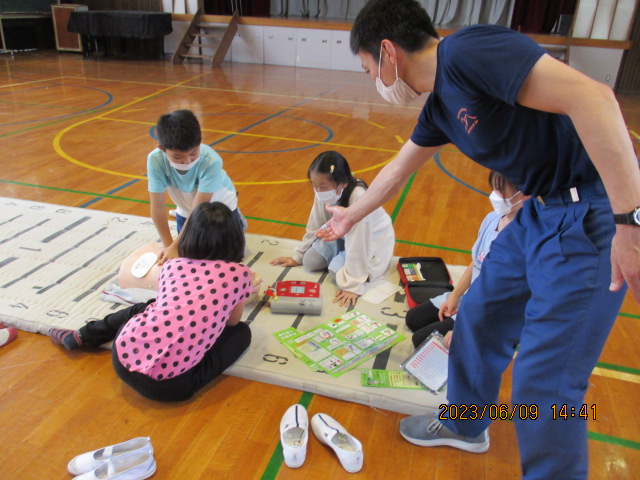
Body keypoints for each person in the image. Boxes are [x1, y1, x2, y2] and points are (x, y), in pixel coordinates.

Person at [316, 1, 640, 478]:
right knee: (480, 316)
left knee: (544, 383)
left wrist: (630, 222)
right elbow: (398, 168)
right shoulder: (441, 106)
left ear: (388, 52)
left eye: (369, 70)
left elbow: (594, 98)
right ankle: (468, 425)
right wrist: (349, 217)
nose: (375, 82)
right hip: (537, 213)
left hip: (591, 214)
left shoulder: (469, 52)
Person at [49, 202, 258, 402]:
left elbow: (173, 305)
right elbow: (231, 322)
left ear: (188, 236)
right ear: (235, 238)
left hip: (123, 359)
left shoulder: (171, 266)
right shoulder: (240, 274)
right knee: (241, 332)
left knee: (148, 307)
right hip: (171, 386)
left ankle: (83, 335)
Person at [406, 172, 528, 349]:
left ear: (524, 194)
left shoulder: (523, 237)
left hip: (490, 311)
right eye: (493, 187)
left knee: (422, 341)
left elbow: (501, 297)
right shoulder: (492, 218)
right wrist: (454, 296)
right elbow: (476, 262)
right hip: (471, 298)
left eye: (501, 190)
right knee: (414, 319)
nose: (494, 195)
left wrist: (463, 327)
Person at [270, 151, 395, 307]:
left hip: (371, 241)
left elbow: (358, 244)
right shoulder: (323, 192)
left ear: (342, 183)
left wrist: (352, 285)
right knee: (310, 262)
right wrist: (298, 256)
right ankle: (340, 257)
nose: (318, 190)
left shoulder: (358, 197)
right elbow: (314, 224)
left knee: (337, 273)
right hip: (341, 237)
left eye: (323, 186)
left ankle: (344, 264)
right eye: (315, 185)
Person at [148, 109, 246, 264]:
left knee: (226, 257)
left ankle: (237, 221)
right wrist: (169, 246)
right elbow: (158, 207)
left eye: (193, 153)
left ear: (200, 141)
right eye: (177, 157)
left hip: (219, 208)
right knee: (189, 256)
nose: (187, 162)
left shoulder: (211, 161)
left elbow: (198, 209)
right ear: (162, 148)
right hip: (186, 208)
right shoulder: (155, 160)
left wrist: (175, 246)